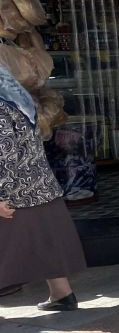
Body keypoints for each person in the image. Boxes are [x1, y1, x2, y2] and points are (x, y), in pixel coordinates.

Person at [0, 61, 86, 309]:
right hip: (39, 184)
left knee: (15, 250)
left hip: (15, 192)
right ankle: (62, 295)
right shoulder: (21, 101)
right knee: (47, 242)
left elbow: (4, 153)